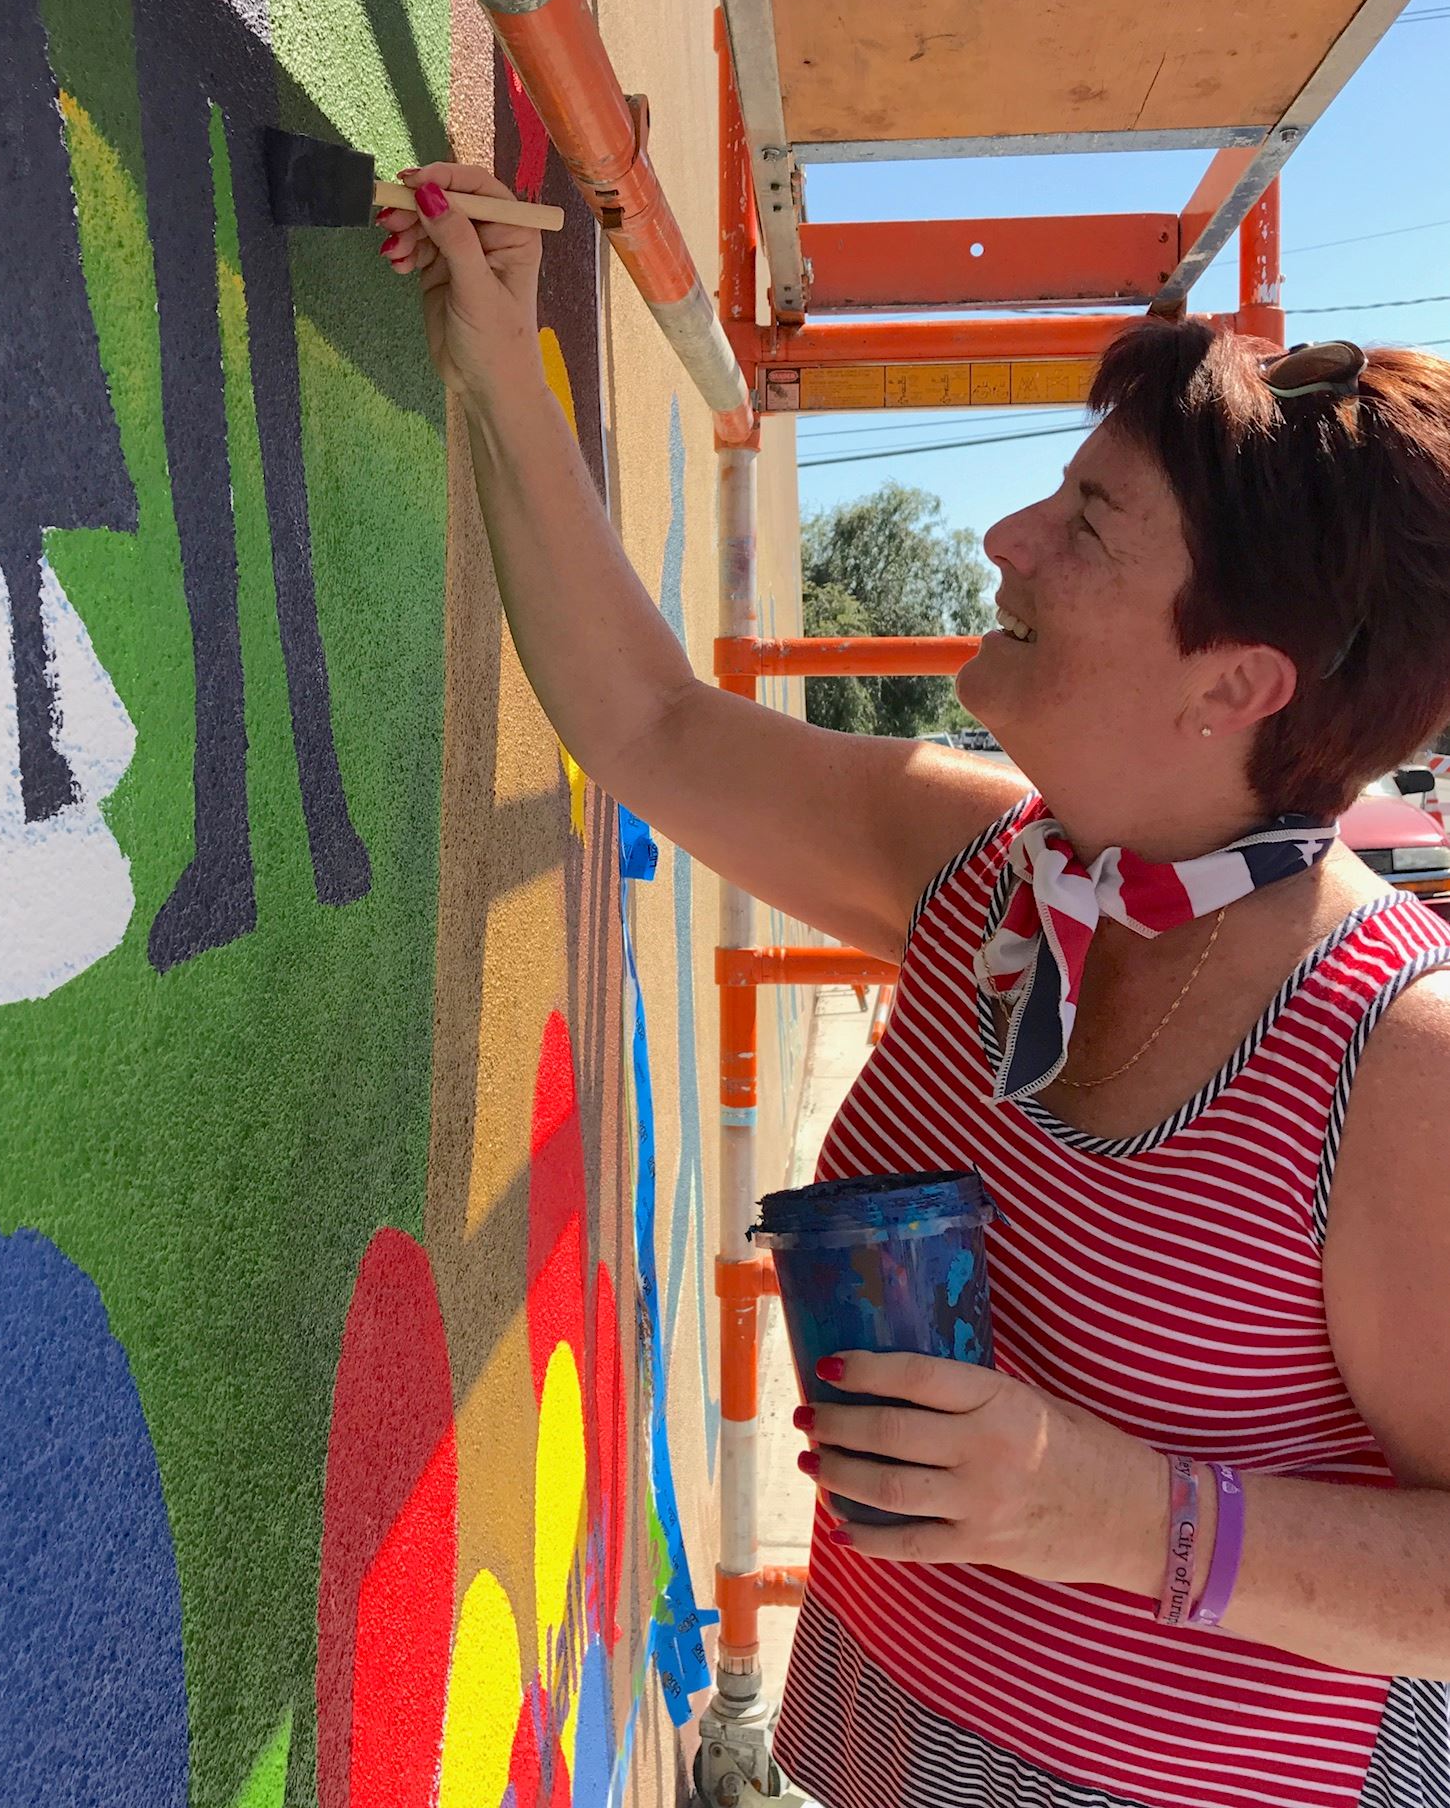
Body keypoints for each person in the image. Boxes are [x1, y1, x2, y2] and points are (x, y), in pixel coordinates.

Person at [378, 165, 1450, 1808]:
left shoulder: (1399, 1060)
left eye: (1083, 522)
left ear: (1234, 683)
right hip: (889, 1730)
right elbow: (652, 726)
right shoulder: (986, 869)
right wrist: (499, 361)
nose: (1002, 537)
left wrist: (1119, 1515)